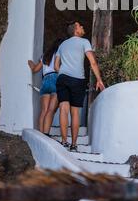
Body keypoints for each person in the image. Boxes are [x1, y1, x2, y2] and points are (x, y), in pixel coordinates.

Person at [54, 21, 105, 152]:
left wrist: (64, 72)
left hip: (63, 78)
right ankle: (74, 144)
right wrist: (99, 79)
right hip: (78, 79)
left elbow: (56, 66)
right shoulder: (84, 42)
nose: (82, 27)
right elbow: (92, 62)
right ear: (76, 30)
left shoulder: (62, 45)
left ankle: (64, 141)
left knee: (63, 109)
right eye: (80, 26)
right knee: (75, 112)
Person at [28, 38, 62, 136]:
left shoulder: (45, 55)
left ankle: (41, 135)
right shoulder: (61, 55)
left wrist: (30, 63)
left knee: (44, 110)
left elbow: (35, 69)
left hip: (45, 80)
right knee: (51, 110)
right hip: (56, 79)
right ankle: (46, 134)